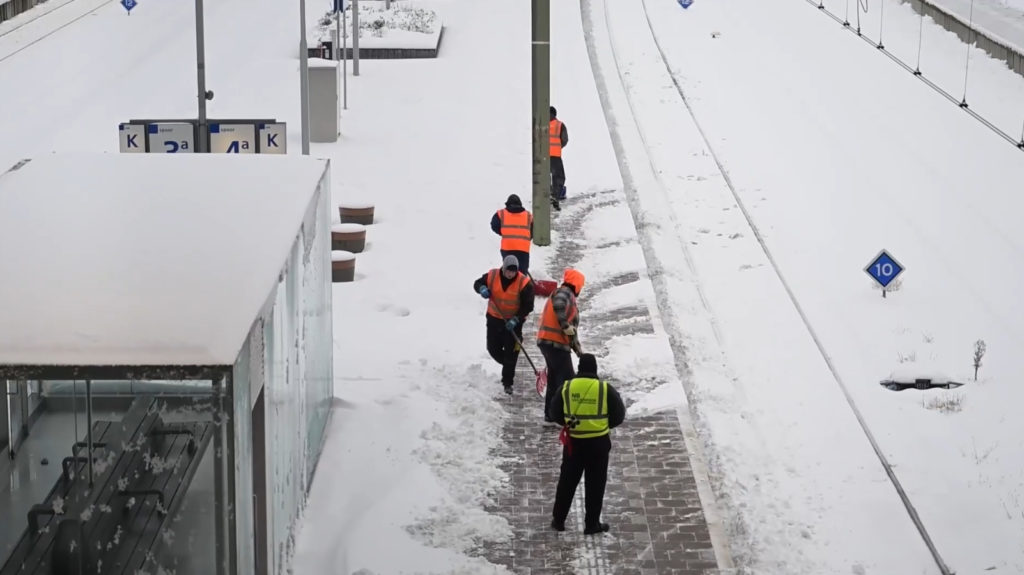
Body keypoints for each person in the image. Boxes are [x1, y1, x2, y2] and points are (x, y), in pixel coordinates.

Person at [547, 353, 626, 535]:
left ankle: (558, 520)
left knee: (567, 482)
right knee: (595, 484)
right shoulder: (604, 389)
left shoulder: (566, 387)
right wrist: (603, 425)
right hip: (598, 444)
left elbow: (554, 412)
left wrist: (568, 423)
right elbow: (619, 415)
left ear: (579, 368)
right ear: (595, 369)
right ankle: (591, 524)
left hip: (574, 443)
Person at [474, 255, 535, 395]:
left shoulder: (524, 283)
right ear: (503, 268)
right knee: (492, 349)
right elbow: (477, 283)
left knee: (510, 352)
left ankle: (507, 382)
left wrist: (516, 319)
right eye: (508, 271)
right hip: (494, 319)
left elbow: (528, 306)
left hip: (513, 323)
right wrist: (481, 288)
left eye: (514, 271)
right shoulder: (492, 275)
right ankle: (509, 363)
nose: (511, 274)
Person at [536, 268, 584, 421]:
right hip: (555, 343)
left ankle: (550, 415)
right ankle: (566, 415)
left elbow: (571, 333)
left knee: (554, 379)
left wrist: (579, 352)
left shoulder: (567, 297)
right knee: (568, 380)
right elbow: (559, 305)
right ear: (577, 284)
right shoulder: (565, 292)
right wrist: (565, 325)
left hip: (546, 341)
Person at [490, 194, 533, 275]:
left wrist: (504, 233)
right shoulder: (528, 215)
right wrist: (527, 237)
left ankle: (509, 282)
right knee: (522, 272)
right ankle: (522, 282)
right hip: (523, 248)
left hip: (507, 247)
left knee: (509, 271)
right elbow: (534, 229)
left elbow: (494, 225)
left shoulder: (501, 213)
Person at [550, 106, 569, 210]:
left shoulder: (541, 123)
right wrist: (557, 146)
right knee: (559, 177)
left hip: (542, 155)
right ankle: (555, 196)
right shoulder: (559, 125)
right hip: (555, 155)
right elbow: (564, 139)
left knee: (544, 176)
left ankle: (546, 195)